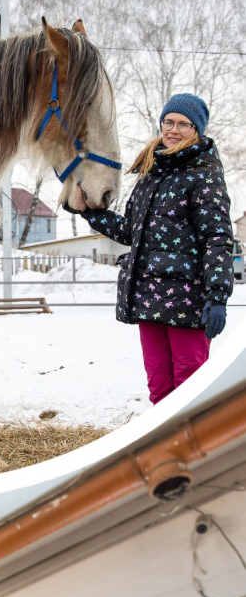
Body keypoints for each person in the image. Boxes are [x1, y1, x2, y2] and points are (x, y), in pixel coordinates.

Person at [72, 93, 234, 404]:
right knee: (159, 387)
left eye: (183, 124)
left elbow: (217, 237)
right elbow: (129, 231)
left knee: (190, 387)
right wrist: (88, 212)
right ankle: (168, 449)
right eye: (168, 121)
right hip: (149, 294)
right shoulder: (151, 172)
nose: (173, 129)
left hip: (188, 299)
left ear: (197, 129)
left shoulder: (205, 173)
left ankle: (194, 450)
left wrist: (217, 295)